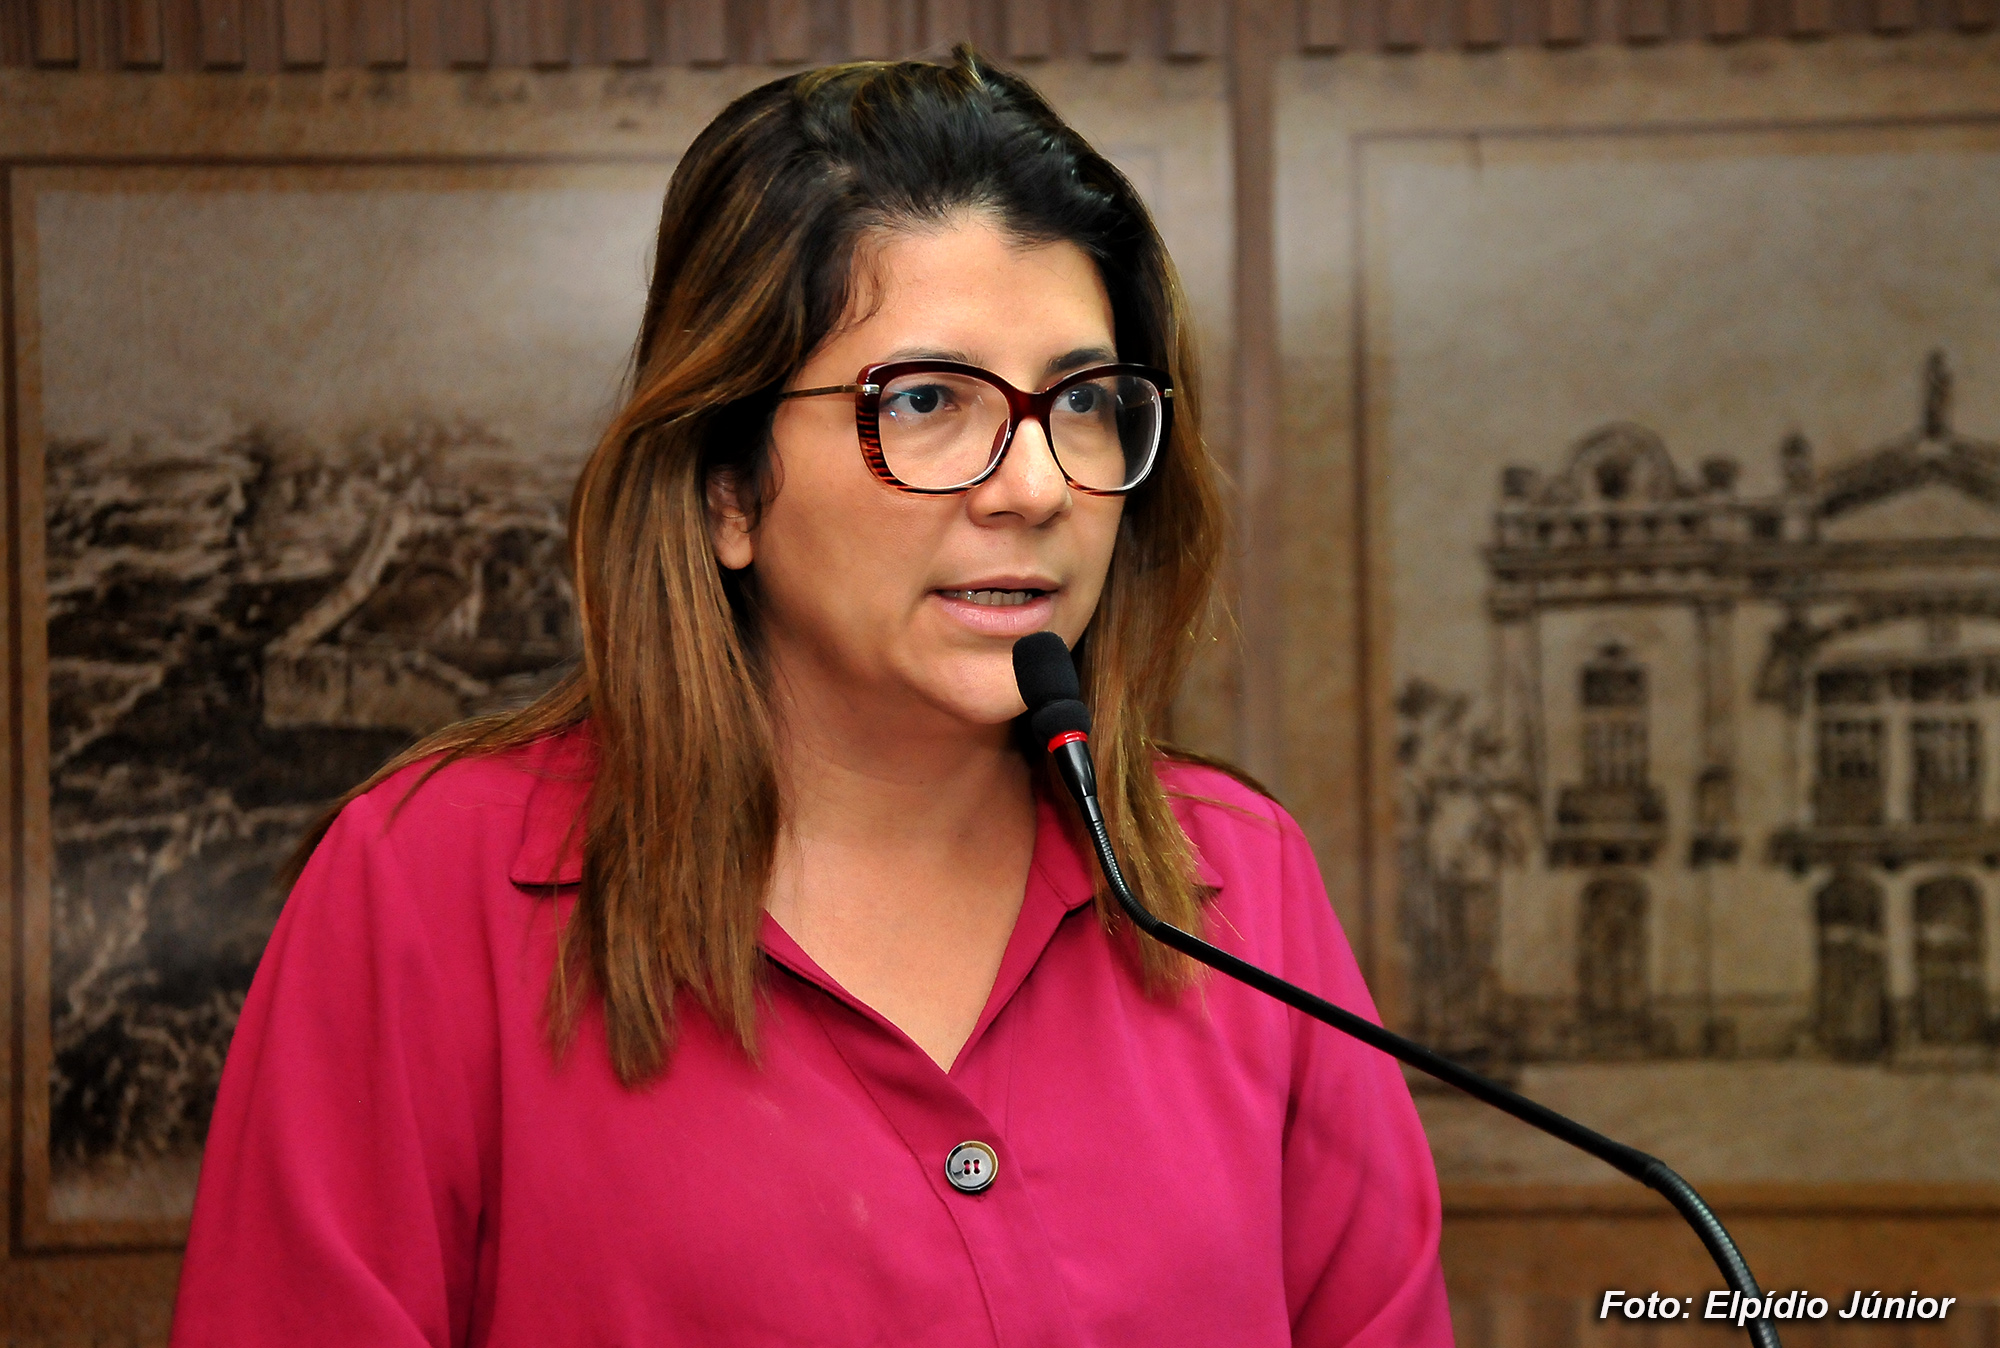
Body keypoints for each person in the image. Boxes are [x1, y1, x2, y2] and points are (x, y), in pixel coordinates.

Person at [170, 50, 1451, 1347]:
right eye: (928, 401)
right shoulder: (423, 892)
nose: (1036, 487)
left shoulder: (1240, 884)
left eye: (1083, 402)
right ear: (727, 488)